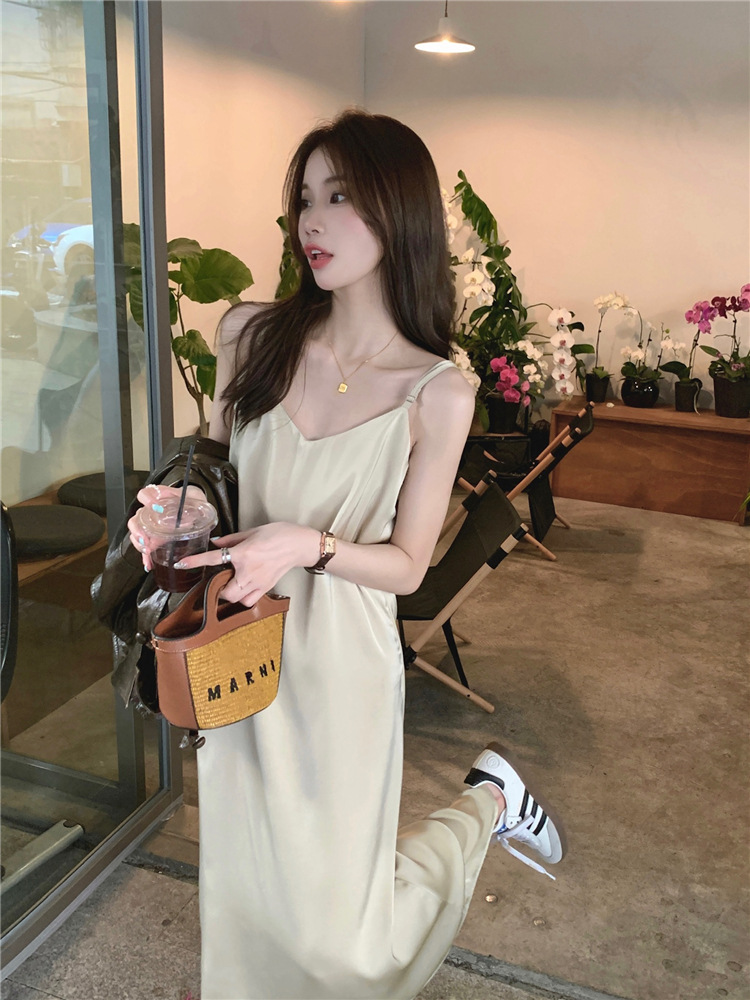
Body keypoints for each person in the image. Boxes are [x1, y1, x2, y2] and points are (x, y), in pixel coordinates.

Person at [129, 109, 564, 1000]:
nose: (312, 223)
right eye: (304, 200)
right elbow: (218, 471)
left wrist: (310, 543)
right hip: (241, 640)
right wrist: (189, 510)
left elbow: (408, 566)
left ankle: (487, 802)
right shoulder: (251, 334)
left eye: (340, 198)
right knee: (246, 883)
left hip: (341, 665)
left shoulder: (437, 391)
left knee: (347, 945)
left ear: (398, 213)